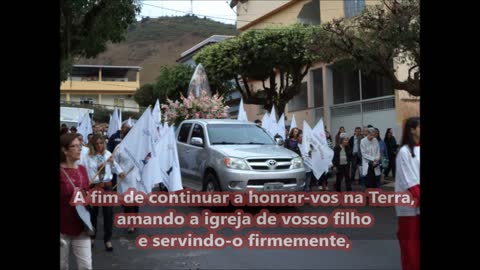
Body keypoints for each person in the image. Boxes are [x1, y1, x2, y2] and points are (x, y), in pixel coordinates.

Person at [60, 133, 92, 269]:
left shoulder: (83, 170)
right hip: (61, 227)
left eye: (80, 145)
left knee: (86, 265)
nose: (79, 149)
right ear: (64, 150)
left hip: (81, 226)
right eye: (75, 146)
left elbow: (87, 193)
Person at [395, 117, 420, 270]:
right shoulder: (404, 152)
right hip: (409, 207)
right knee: (410, 245)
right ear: (412, 130)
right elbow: (410, 181)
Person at [84, 133, 114, 251]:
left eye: (101, 143)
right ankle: (92, 237)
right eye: (96, 144)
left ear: (104, 143)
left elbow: (116, 168)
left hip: (107, 187)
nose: (99, 146)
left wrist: (114, 165)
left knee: (108, 214)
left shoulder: (108, 154)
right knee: (93, 213)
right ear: (93, 145)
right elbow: (85, 172)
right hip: (94, 187)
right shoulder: (88, 156)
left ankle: (108, 240)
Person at [111, 125, 141, 233]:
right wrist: (119, 171)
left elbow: (145, 161)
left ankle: (134, 221)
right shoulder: (119, 148)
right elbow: (113, 162)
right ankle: (130, 223)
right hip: (125, 179)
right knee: (128, 203)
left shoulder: (140, 148)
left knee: (135, 202)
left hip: (137, 179)